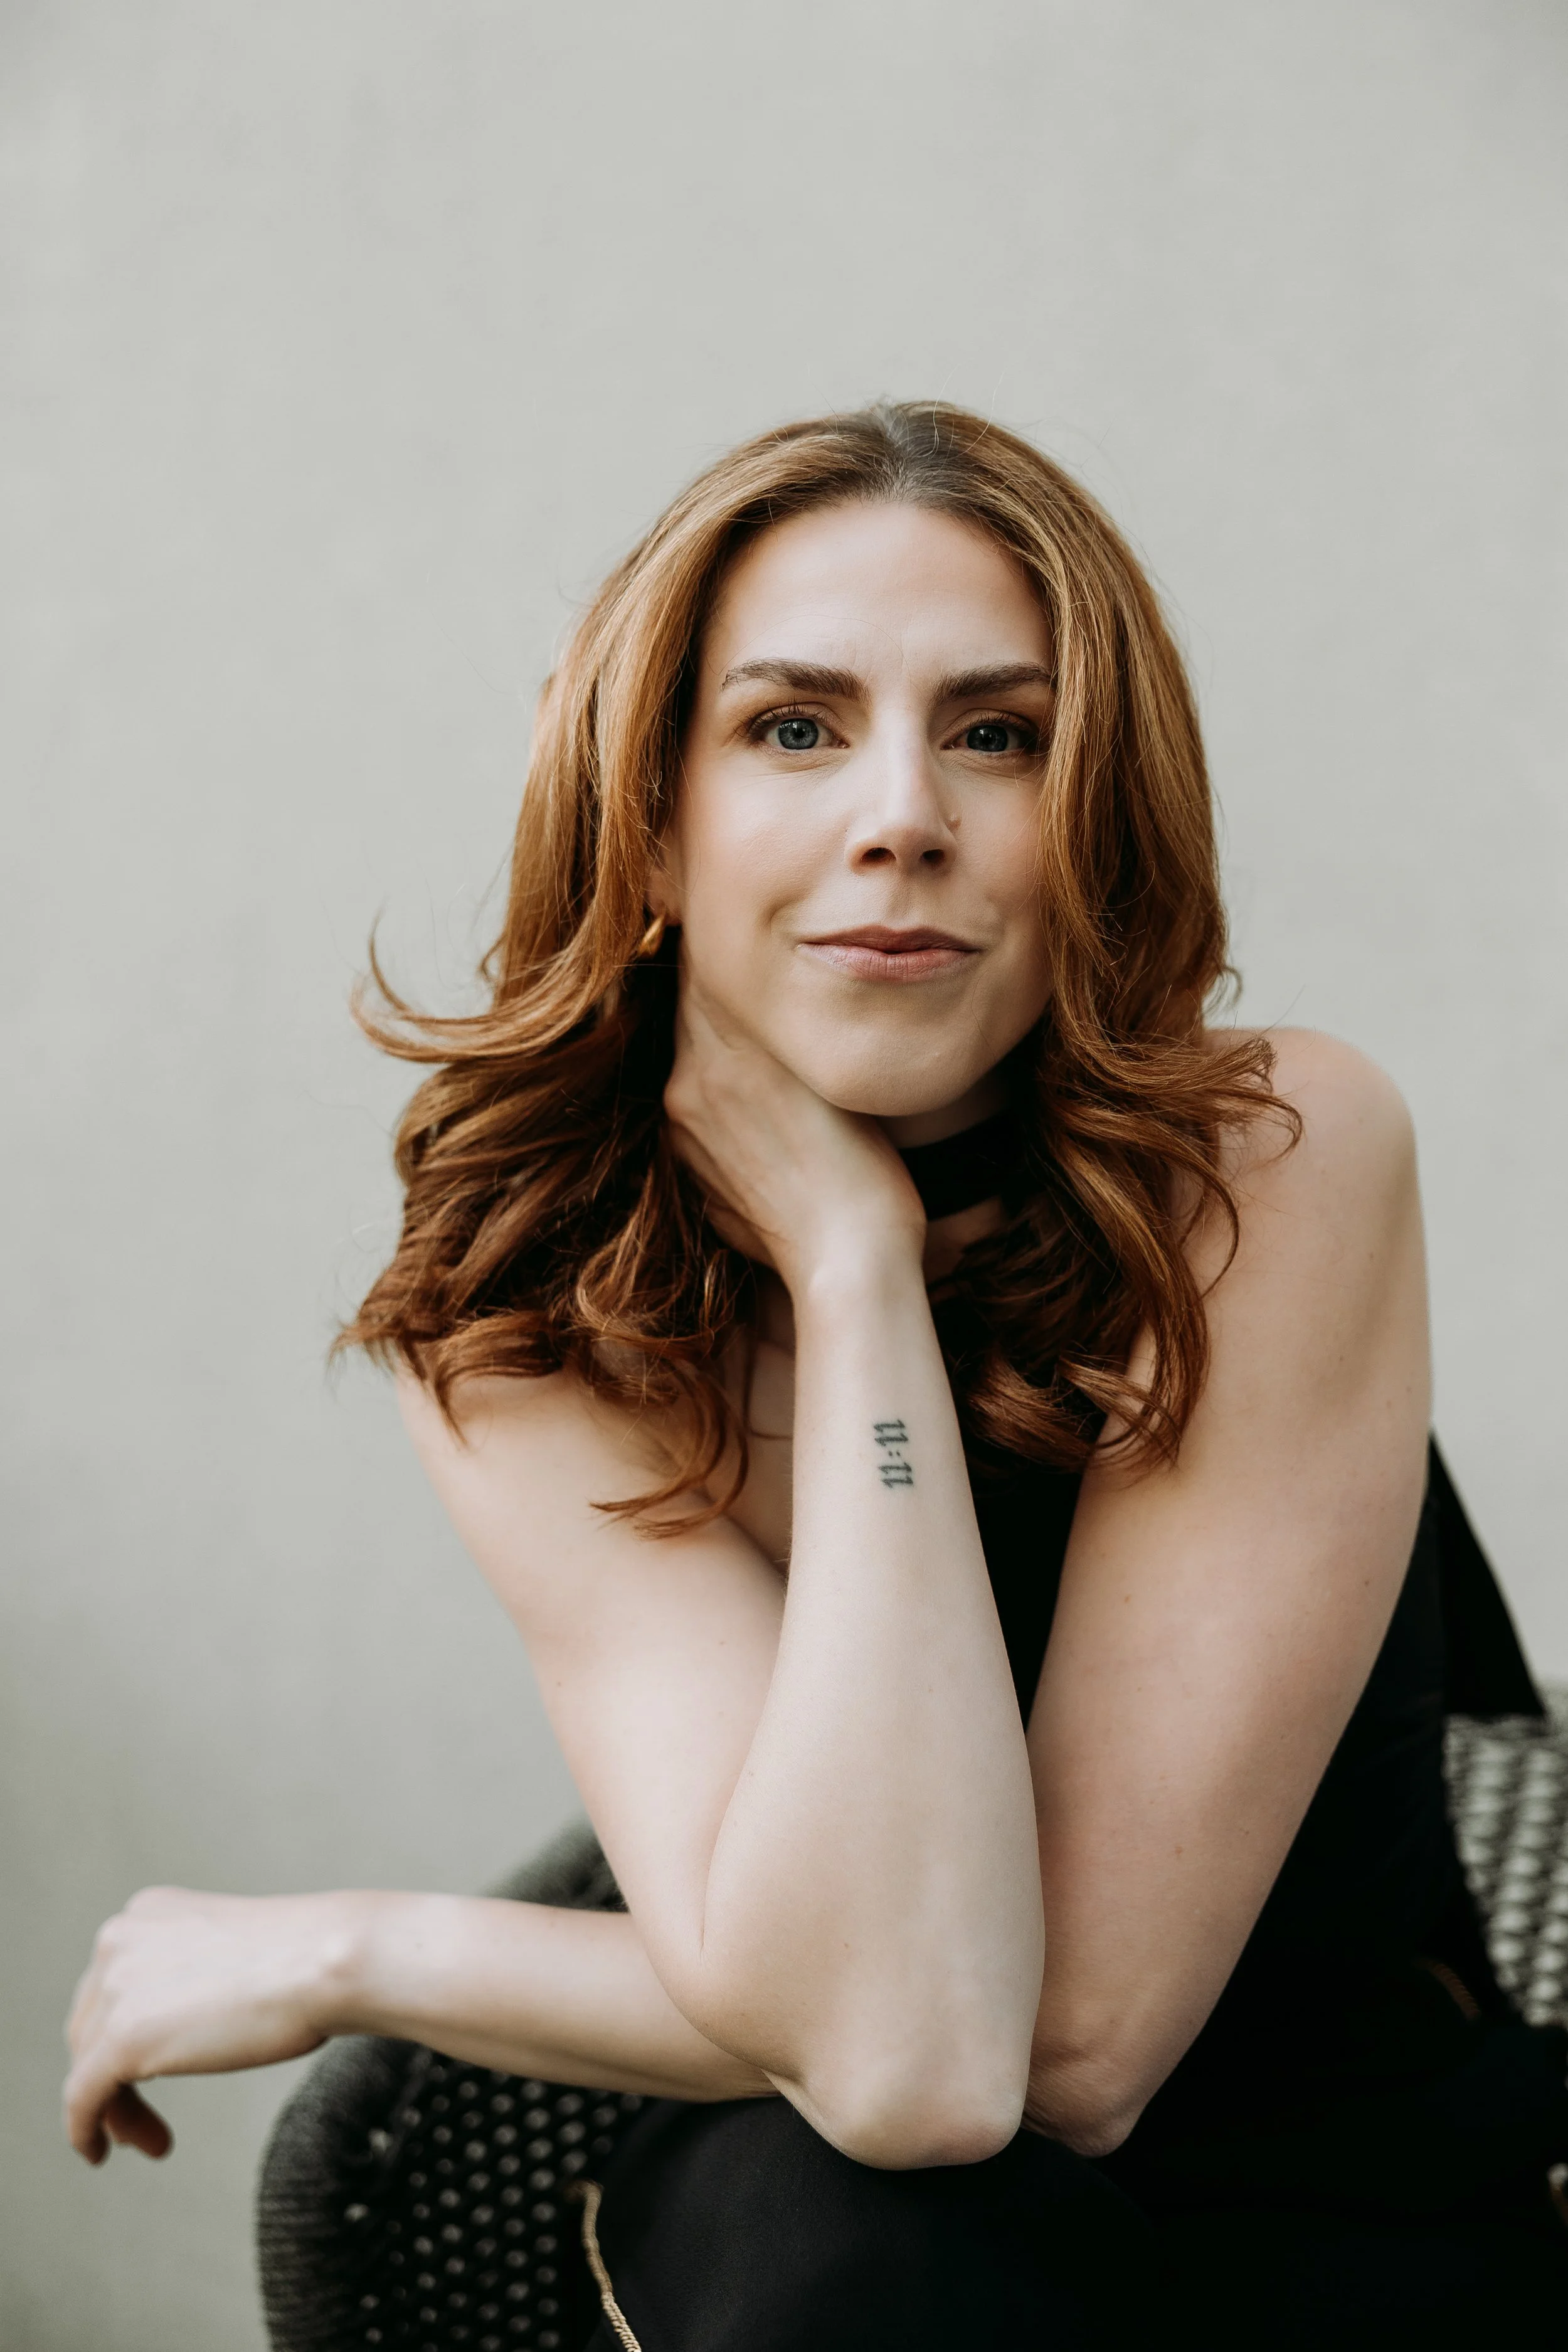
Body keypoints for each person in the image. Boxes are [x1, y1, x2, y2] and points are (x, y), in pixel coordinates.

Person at [65, 403, 1568, 2349]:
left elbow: (1066, 2049)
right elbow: (900, 2063)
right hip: (848, 2220)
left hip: (1329, 2202)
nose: (899, 815)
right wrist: (841, 1268)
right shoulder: (527, 1315)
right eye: (790, 725)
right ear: (648, 806)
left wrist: (368, 1946)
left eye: (995, 733)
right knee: (862, 2227)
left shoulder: (1271, 1160)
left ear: (1090, 815)